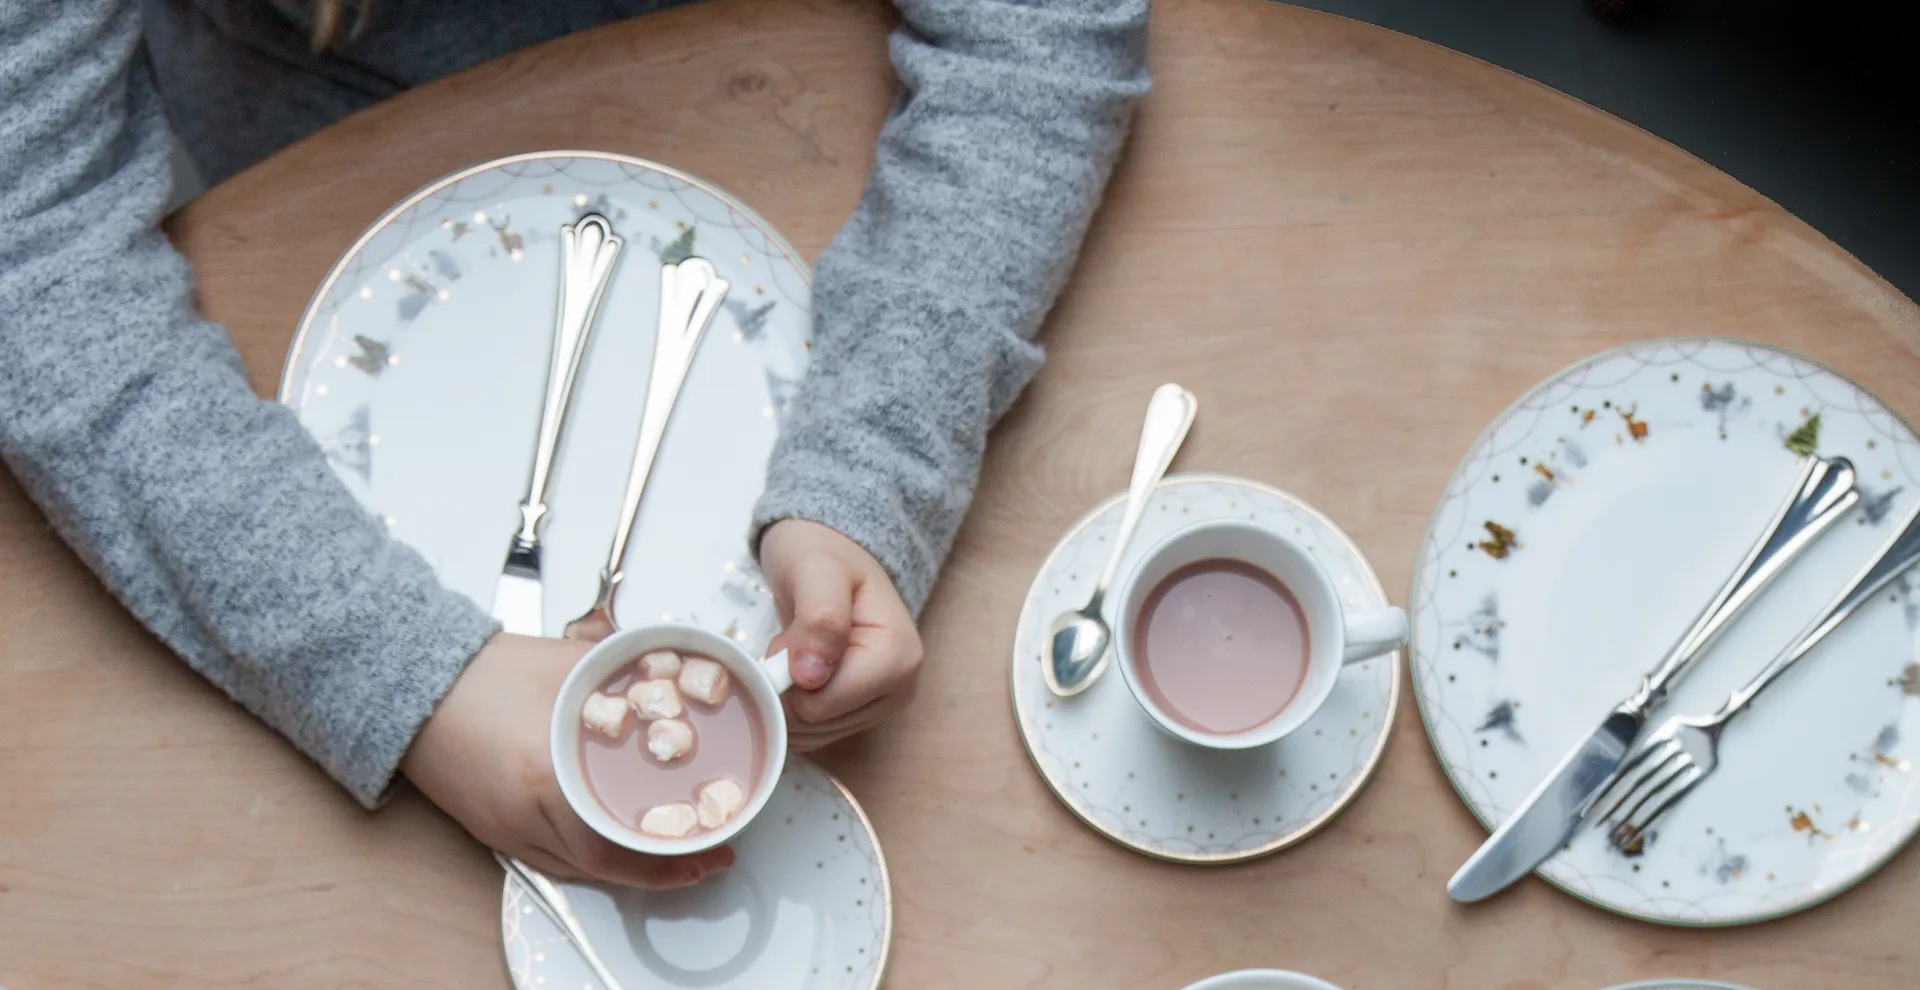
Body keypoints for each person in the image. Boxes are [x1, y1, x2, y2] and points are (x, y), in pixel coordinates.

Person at [1, 0, 1151, 885]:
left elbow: (1038, 38)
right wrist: (405, 679)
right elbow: (31, 248)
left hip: (779, 121)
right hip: (299, 185)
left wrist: (878, 461)